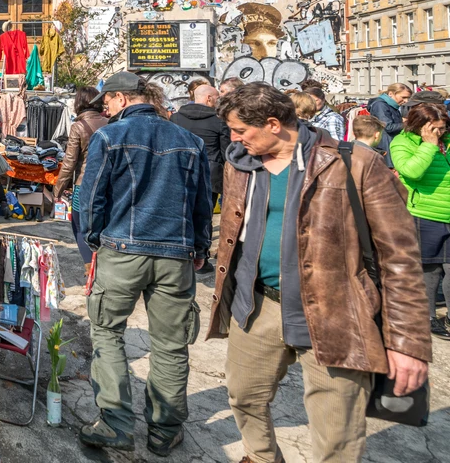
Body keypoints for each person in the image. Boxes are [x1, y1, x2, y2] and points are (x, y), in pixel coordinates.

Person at [211, 84, 430, 463]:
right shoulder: (241, 163)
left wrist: (407, 343)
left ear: (273, 124)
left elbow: (400, 258)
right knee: (244, 396)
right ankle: (261, 457)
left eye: (240, 130)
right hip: (257, 307)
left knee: (336, 432)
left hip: (337, 315)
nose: (233, 138)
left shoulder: (354, 163)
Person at [77, 72, 212, 456]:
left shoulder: (109, 136)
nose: (105, 108)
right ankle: (164, 430)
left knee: (107, 333)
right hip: (175, 254)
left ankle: (115, 422)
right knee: (171, 344)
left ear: (122, 98)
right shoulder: (190, 142)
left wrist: (93, 239)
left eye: (107, 101)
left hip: (122, 250)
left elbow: (91, 198)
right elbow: (202, 202)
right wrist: (199, 246)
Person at [389, 103, 450, 340]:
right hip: (424, 213)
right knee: (429, 269)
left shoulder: (447, 140)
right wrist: (429, 146)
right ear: (419, 126)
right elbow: (412, 172)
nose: (439, 133)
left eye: (442, 128)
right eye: (434, 129)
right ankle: (428, 316)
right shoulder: (402, 143)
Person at [171, 83, 229, 273]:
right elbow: (226, 152)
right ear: (209, 98)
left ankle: (179, 255)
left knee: (181, 213)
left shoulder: (176, 118)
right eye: (217, 97)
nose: (218, 101)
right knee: (205, 216)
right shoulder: (219, 121)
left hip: (180, 171)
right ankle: (201, 258)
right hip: (210, 174)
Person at [54, 87, 107, 284]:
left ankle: (89, 269)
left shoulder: (78, 126)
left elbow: (69, 162)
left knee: (79, 227)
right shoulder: (111, 123)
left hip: (83, 184)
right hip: (108, 184)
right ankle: (103, 266)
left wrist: (58, 190)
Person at [369, 82, 412, 155]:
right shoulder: (380, 105)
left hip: (391, 142)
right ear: (390, 94)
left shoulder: (392, 105)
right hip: (386, 145)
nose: (406, 101)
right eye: (403, 97)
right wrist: (409, 124)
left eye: (408, 98)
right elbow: (388, 127)